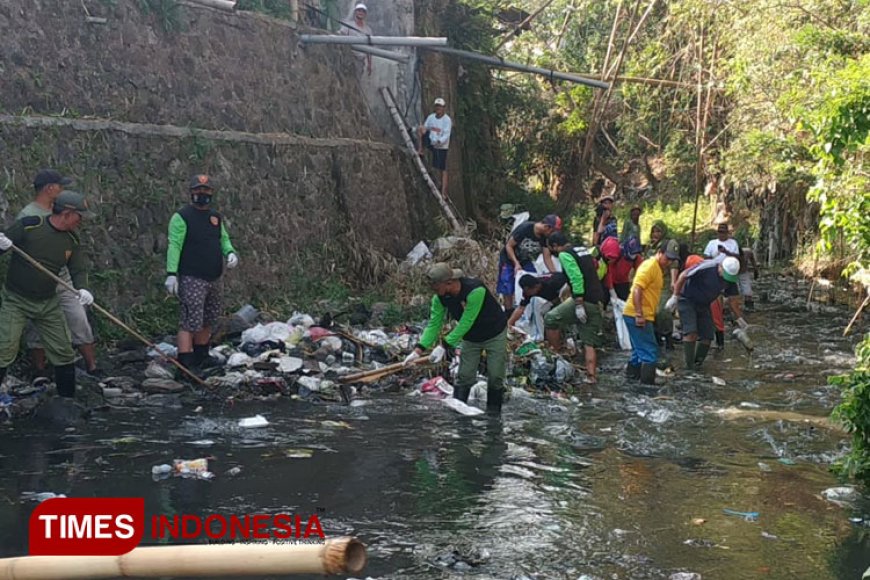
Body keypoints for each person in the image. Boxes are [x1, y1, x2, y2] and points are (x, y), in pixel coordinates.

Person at [0, 190, 95, 398]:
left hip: (48, 302)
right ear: (67, 214)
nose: (81, 221)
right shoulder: (30, 225)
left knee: (63, 352)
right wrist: (3, 245)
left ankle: (67, 402)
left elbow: (78, 269)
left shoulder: (72, 239)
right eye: (79, 216)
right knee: (4, 348)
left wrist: (83, 289)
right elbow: (5, 242)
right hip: (16, 299)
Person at [18, 170, 100, 378]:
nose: (62, 190)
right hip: (37, 281)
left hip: (62, 278)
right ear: (50, 189)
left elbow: (75, 257)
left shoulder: (64, 214)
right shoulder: (29, 216)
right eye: (60, 186)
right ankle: (40, 371)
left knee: (78, 319)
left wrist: (82, 286)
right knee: (37, 325)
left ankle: (93, 367)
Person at [403, 263, 508, 415]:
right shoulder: (439, 299)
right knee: (464, 376)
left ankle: (493, 415)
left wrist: (444, 345)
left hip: (494, 333)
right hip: (471, 337)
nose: (434, 291)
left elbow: (467, 321)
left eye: (436, 287)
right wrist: (418, 350)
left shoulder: (476, 290)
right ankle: (458, 413)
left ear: (449, 283)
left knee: (496, 376)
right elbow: (434, 324)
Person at [165, 175, 239, 374]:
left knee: (208, 317)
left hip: (214, 276)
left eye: (206, 191)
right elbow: (175, 245)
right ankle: (185, 360)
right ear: (191, 193)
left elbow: (223, 239)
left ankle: (202, 355)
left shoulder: (215, 217)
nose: (202, 194)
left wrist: (230, 252)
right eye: (198, 190)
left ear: (212, 193)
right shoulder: (182, 217)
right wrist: (171, 273)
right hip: (192, 276)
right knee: (190, 319)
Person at [667, 256, 747, 371]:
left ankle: (697, 364)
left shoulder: (730, 280)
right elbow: (684, 275)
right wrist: (675, 296)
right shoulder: (707, 267)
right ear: (720, 266)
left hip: (704, 304)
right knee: (691, 332)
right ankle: (688, 367)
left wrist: (740, 319)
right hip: (687, 299)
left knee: (708, 335)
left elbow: (732, 300)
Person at [545, 232, 606, 384]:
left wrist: (578, 303)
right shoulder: (582, 250)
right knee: (589, 342)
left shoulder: (564, 254)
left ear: (554, 246)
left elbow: (577, 277)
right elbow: (592, 272)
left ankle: (557, 357)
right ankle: (591, 377)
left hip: (583, 300)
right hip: (597, 299)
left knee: (550, 319)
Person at [623, 240, 680, 384]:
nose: (668, 262)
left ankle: (631, 380)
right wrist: (639, 314)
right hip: (637, 314)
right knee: (649, 353)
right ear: (659, 253)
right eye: (667, 258)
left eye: (672, 260)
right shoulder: (649, 266)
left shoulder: (657, 268)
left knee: (639, 351)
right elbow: (637, 289)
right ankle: (646, 389)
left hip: (642, 314)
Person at [497, 215, 561, 309]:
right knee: (508, 287)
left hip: (525, 260)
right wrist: (516, 263)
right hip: (509, 259)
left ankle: (527, 309)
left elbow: (546, 257)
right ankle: (508, 312)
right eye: (552, 231)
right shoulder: (526, 228)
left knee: (534, 281)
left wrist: (554, 274)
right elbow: (509, 246)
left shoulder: (544, 237)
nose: (552, 234)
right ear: (546, 227)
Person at [507, 272, 568, 340]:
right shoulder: (527, 292)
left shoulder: (552, 283)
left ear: (536, 287)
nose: (527, 293)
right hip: (550, 301)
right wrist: (509, 323)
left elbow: (566, 290)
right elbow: (521, 308)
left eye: (528, 291)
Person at [417, 98, 452, 198]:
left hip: (441, 146)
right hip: (432, 142)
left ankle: (444, 191)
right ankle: (421, 149)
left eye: (440, 106)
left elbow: (446, 135)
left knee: (442, 168)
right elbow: (426, 127)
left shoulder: (447, 120)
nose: (438, 108)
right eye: (437, 106)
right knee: (421, 129)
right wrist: (422, 130)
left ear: (443, 108)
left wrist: (439, 141)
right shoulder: (431, 117)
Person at [339, 3, 372, 76]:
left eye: (363, 11)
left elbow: (370, 49)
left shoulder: (368, 30)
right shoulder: (348, 25)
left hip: (360, 61)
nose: (360, 12)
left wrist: (369, 64)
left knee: (357, 81)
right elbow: (340, 36)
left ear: (365, 14)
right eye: (359, 10)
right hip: (349, 58)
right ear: (355, 12)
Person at [738, 246, 759, 311]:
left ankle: (749, 307)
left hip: (743, 272)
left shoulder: (748, 252)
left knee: (748, 291)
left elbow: (752, 259)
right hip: (732, 273)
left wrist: (756, 270)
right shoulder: (728, 255)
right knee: (733, 292)